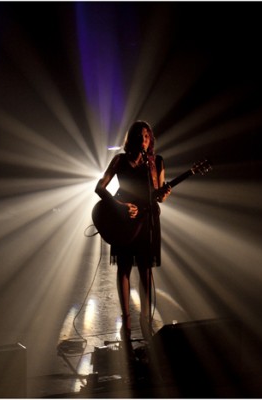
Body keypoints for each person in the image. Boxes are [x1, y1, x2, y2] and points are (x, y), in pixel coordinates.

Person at [95, 120, 171, 347]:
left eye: (147, 136)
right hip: (124, 220)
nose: (143, 140)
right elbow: (100, 187)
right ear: (132, 139)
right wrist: (120, 206)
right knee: (125, 267)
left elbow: (158, 192)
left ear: (151, 140)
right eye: (139, 136)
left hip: (147, 219)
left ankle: (144, 318)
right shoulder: (120, 160)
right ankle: (126, 319)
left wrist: (165, 193)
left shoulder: (156, 161)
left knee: (146, 270)